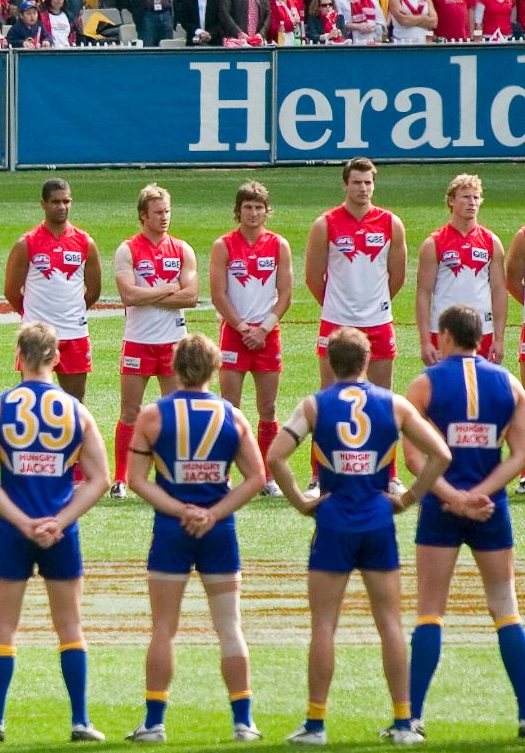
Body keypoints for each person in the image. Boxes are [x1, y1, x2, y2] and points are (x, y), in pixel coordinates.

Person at [267, 327, 454, 746]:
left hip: (333, 521)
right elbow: (441, 454)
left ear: (331, 363)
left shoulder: (314, 406)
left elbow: (276, 455)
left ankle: (316, 724)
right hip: (377, 521)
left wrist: (299, 499)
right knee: (389, 622)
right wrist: (408, 499)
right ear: (367, 361)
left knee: (324, 626)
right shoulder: (395, 404)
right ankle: (404, 722)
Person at [0, 322, 110, 743]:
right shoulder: (76, 411)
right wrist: (60, 521)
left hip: (13, 529)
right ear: (56, 358)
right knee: (70, 625)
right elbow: (100, 478)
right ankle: (80, 720)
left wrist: (20, 519)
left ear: (19, 358)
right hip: (61, 532)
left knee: (3, 625)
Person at [123, 333, 267, 743]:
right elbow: (255, 477)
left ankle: (154, 722)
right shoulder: (233, 417)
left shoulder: (153, 416)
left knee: (163, 629)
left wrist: (179, 509)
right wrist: (214, 512)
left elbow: (136, 479)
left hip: (172, 530)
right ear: (215, 368)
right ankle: (244, 722)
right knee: (229, 627)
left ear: (173, 367)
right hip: (219, 531)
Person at [404, 305, 525, 739]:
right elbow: (521, 454)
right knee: (506, 610)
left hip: (441, 509)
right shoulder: (509, 384)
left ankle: (412, 719)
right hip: (491, 510)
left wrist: (453, 497)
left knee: (430, 610)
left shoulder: (425, 384)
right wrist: (483, 493)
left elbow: (414, 454)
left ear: (448, 337)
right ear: (481, 338)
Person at [110, 185, 199, 498]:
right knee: (130, 412)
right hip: (137, 341)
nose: (164, 218)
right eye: (158, 212)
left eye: (167, 211)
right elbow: (128, 295)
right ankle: (121, 479)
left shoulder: (182, 249)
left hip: (174, 343)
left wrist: (151, 293)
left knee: (175, 412)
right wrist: (169, 288)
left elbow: (191, 297)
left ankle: (171, 474)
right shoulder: (128, 250)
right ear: (143, 215)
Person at [210, 182, 292, 497]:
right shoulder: (224, 246)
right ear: (238, 211)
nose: (254, 213)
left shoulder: (278, 245)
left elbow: (285, 294)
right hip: (235, 335)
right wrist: (245, 329)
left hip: (267, 336)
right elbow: (218, 295)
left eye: (259, 207)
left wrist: (264, 328)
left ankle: (266, 477)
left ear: (266, 211)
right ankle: (225, 474)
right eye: (248, 207)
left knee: (268, 408)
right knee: (230, 408)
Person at [306, 158, 406, 397]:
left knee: (382, 396)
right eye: (357, 183)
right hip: (336, 321)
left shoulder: (391, 223)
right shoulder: (325, 224)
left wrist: (375, 301)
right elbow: (312, 276)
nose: (363, 188)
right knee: (330, 395)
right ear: (345, 185)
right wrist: (334, 303)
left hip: (378, 321)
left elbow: (398, 275)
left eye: (368, 182)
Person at [4, 178, 100, 402]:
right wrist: (33, 316)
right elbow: (11, 291)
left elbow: (94, 290)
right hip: (37, 336)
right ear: (43, 204)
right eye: (56, 201)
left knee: (75, 401)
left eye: (67, 201)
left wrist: (72, 311)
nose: (62, 207)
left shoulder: (85, 243)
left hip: (74, 334)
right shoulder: (26, 243)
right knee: (32, 399)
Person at [416, 175, 505, 366]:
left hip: (482, 331)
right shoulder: (434, 243)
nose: (472, 202)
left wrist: (499, 339)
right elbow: (423, 293)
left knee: (481, 391)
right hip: (444, 332)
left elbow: (498, 291)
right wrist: (425, 341)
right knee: (446, 391)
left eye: (476, 197)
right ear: (451, 200)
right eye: (465, 197)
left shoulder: (492, 242)